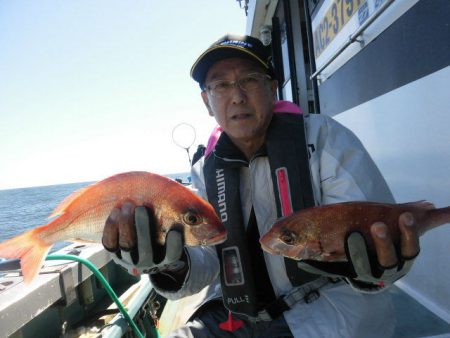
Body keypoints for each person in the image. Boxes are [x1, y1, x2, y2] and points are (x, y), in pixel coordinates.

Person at [102, 34, 420, 337]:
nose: (237, 95)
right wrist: (168, 262)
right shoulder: (203, 172)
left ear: (272, 88)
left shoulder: (325, 140)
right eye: (221, 85)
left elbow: (377, 238)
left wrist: (377, 267)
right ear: (207, 101)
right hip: (234, 317)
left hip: (329, 313)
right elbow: (206, 263)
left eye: (250, 80)